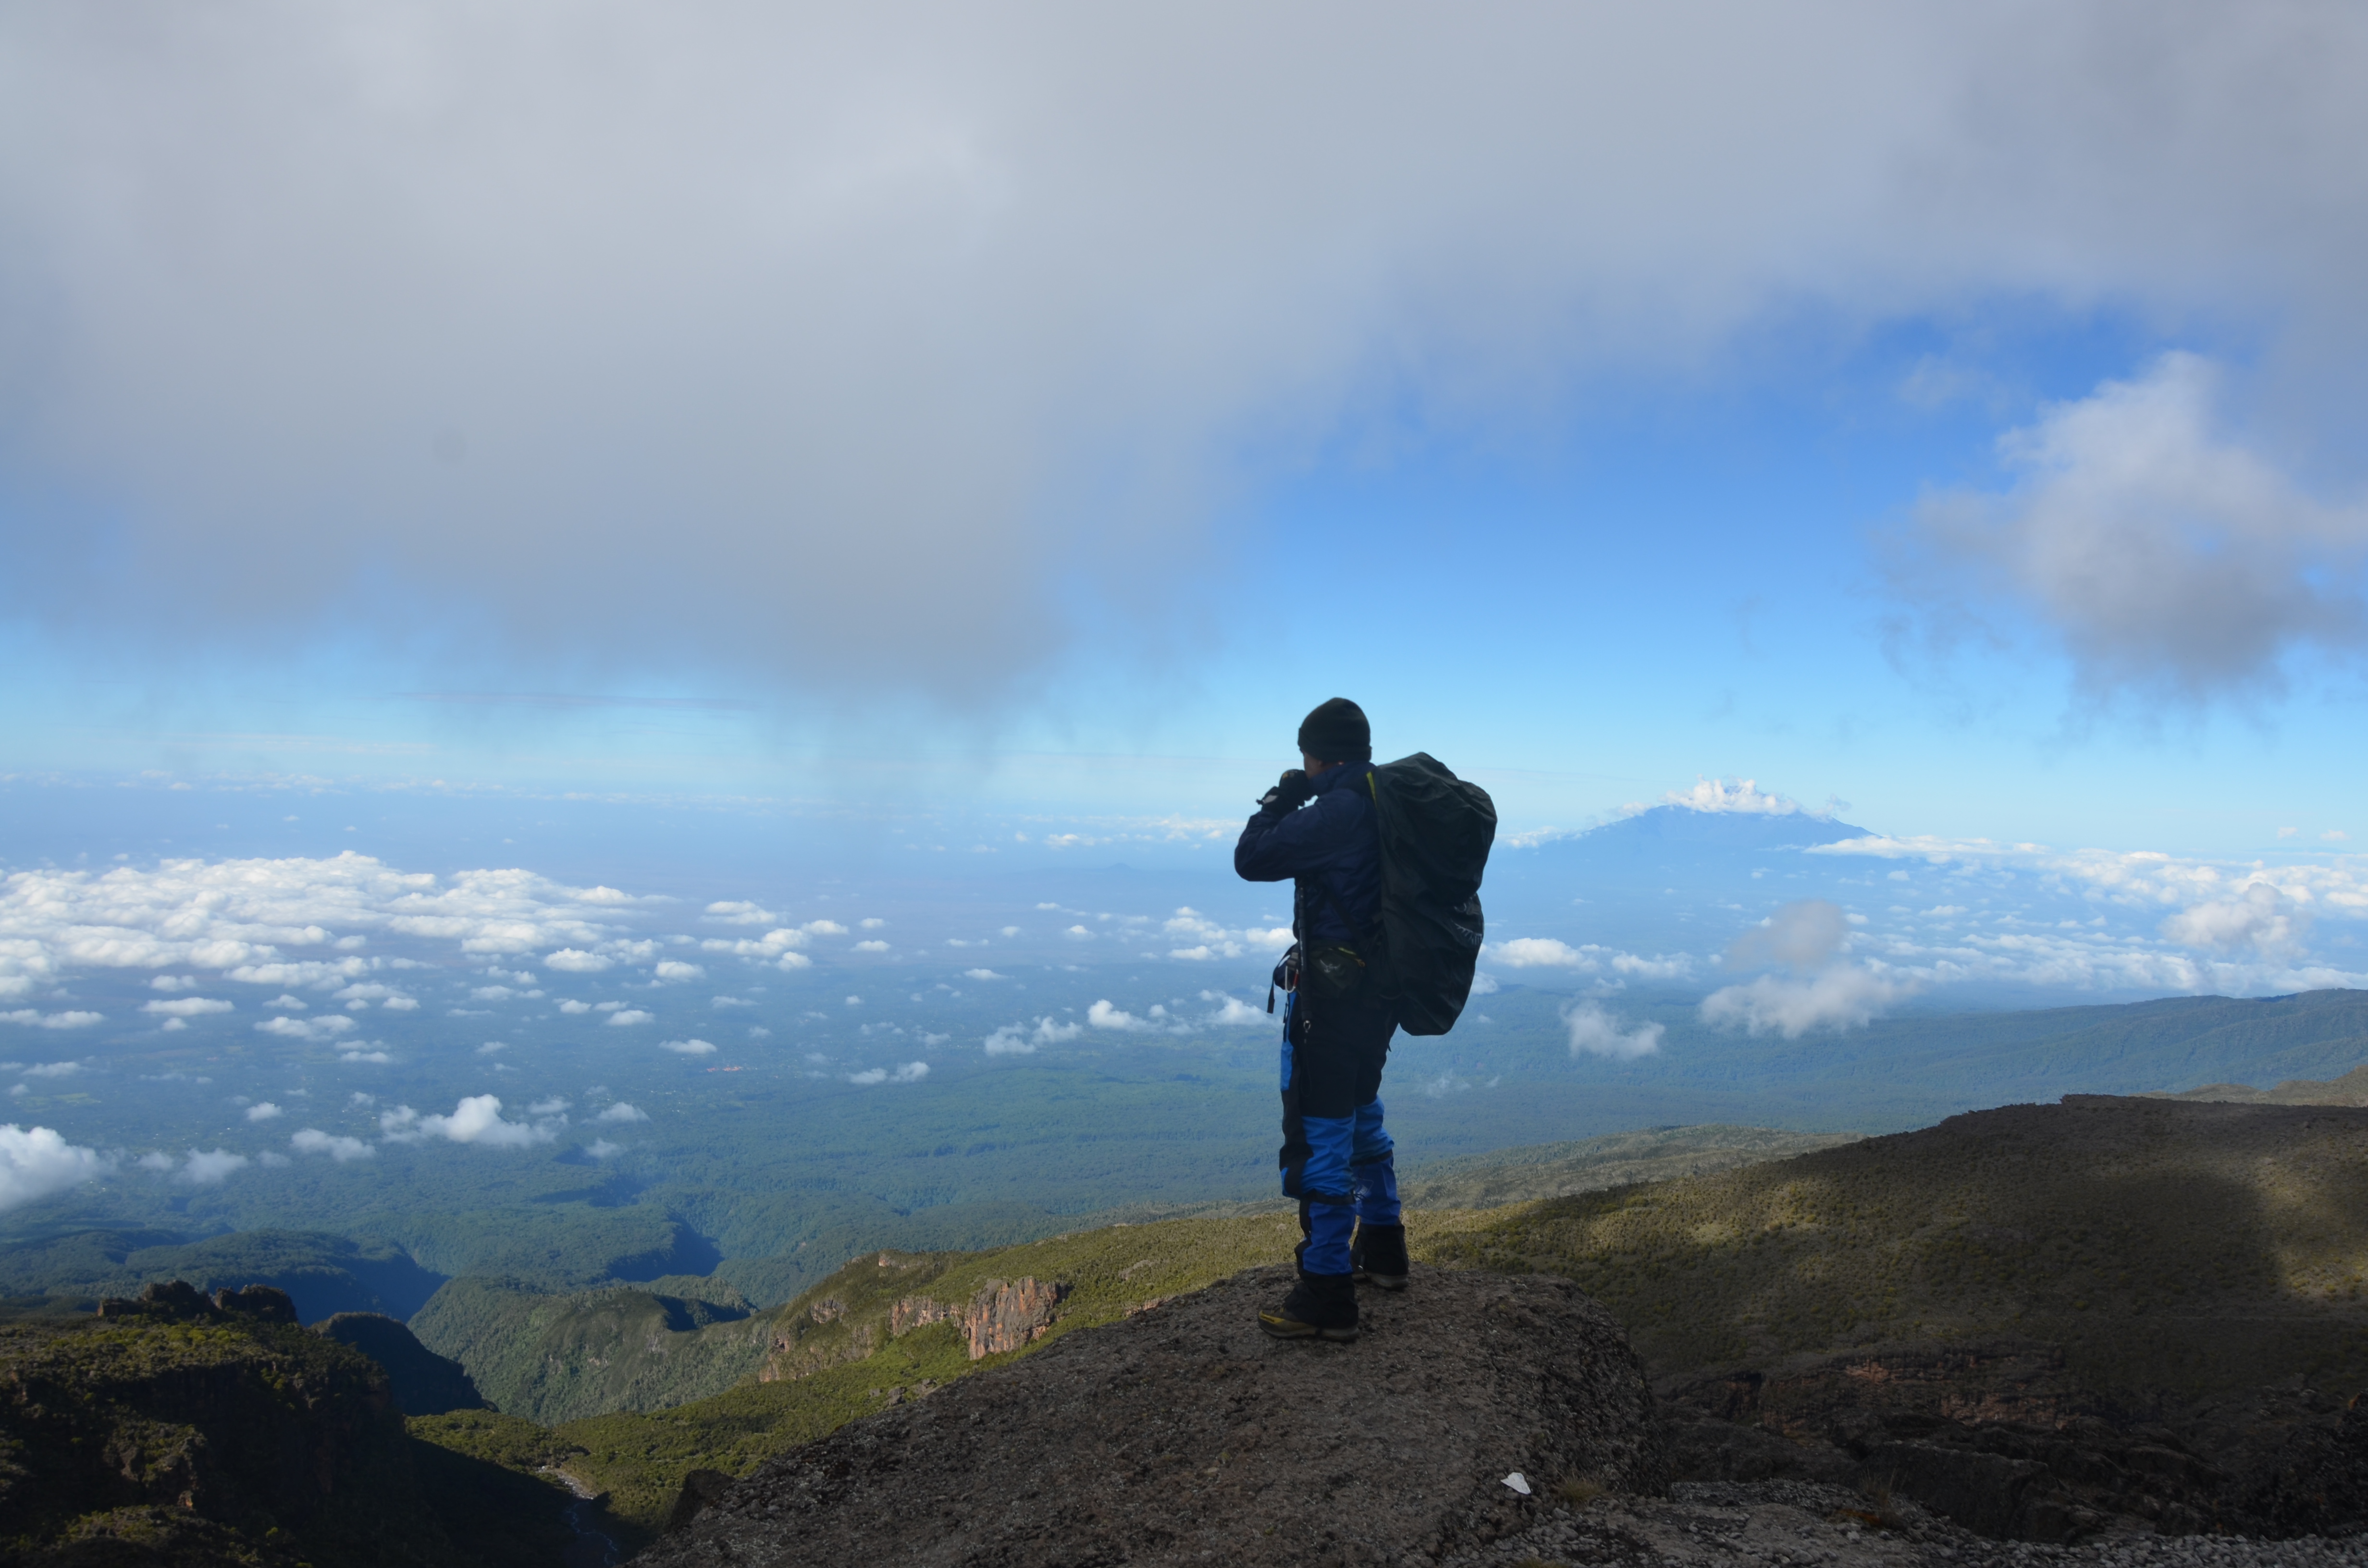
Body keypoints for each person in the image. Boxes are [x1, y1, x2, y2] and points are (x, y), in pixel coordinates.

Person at [1233, 696, 1406, 1341]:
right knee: (1362, 1110)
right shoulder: (1387, 799)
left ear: (1315, 754)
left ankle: (1327, 1290)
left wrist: (1279, 802)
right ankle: (1385, 1248)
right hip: (1381, 992)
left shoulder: (1337, 809)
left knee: (1322, 1130)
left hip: (1334, 997)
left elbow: (1251, 859)